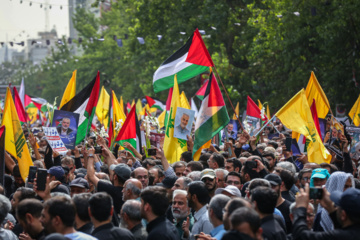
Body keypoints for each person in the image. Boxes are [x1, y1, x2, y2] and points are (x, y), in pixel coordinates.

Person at [292, 185, 360, 239]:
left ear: (343, 215)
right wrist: (331, 210)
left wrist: (301, 207)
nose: (335, 207)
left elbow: (300, 236)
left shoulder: (343, 236)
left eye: (337, 207)